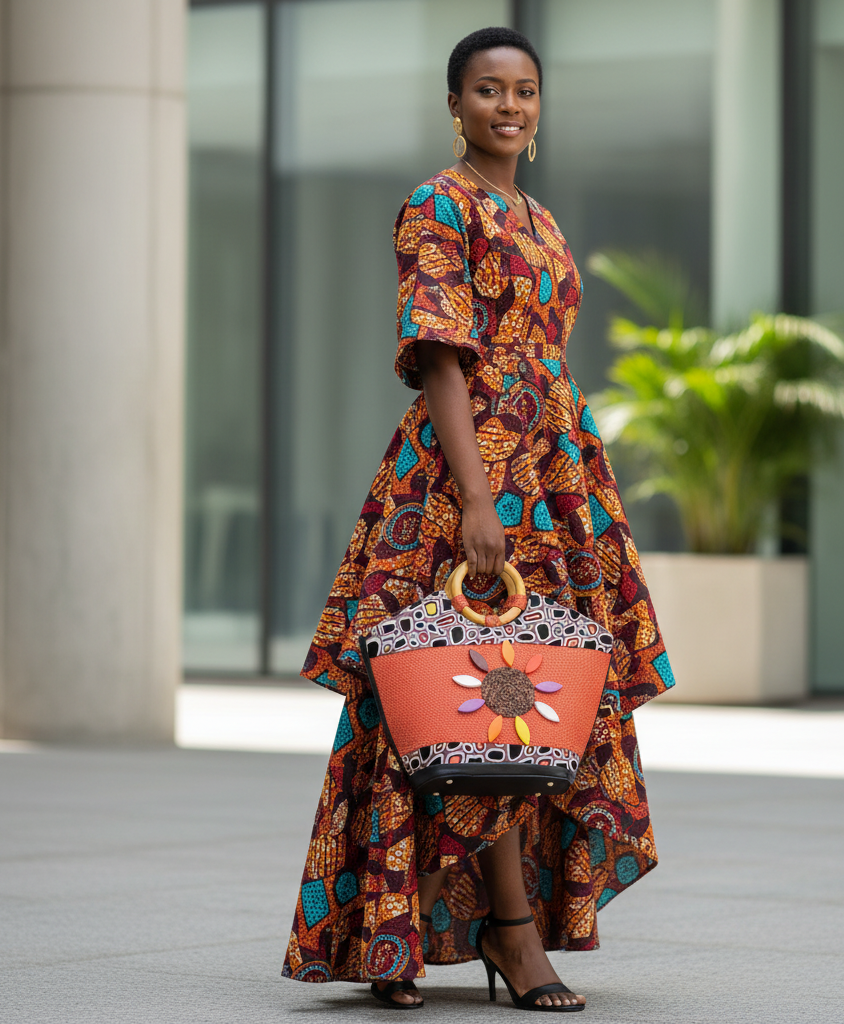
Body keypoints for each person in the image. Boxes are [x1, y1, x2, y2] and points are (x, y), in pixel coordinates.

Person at [282, 25, 674, 1011]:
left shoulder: (537, 218)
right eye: (488, 90)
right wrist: (474, 496)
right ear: (453, 105)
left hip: (554, 478)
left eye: (525, 90)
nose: (508, 105)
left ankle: (405, 936)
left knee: (530, 698)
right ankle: (503, 934)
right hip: (467, 473)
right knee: (463, 695)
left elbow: (542, 356)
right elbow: (443, 358)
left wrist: (552, 481)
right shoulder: (436, 205)